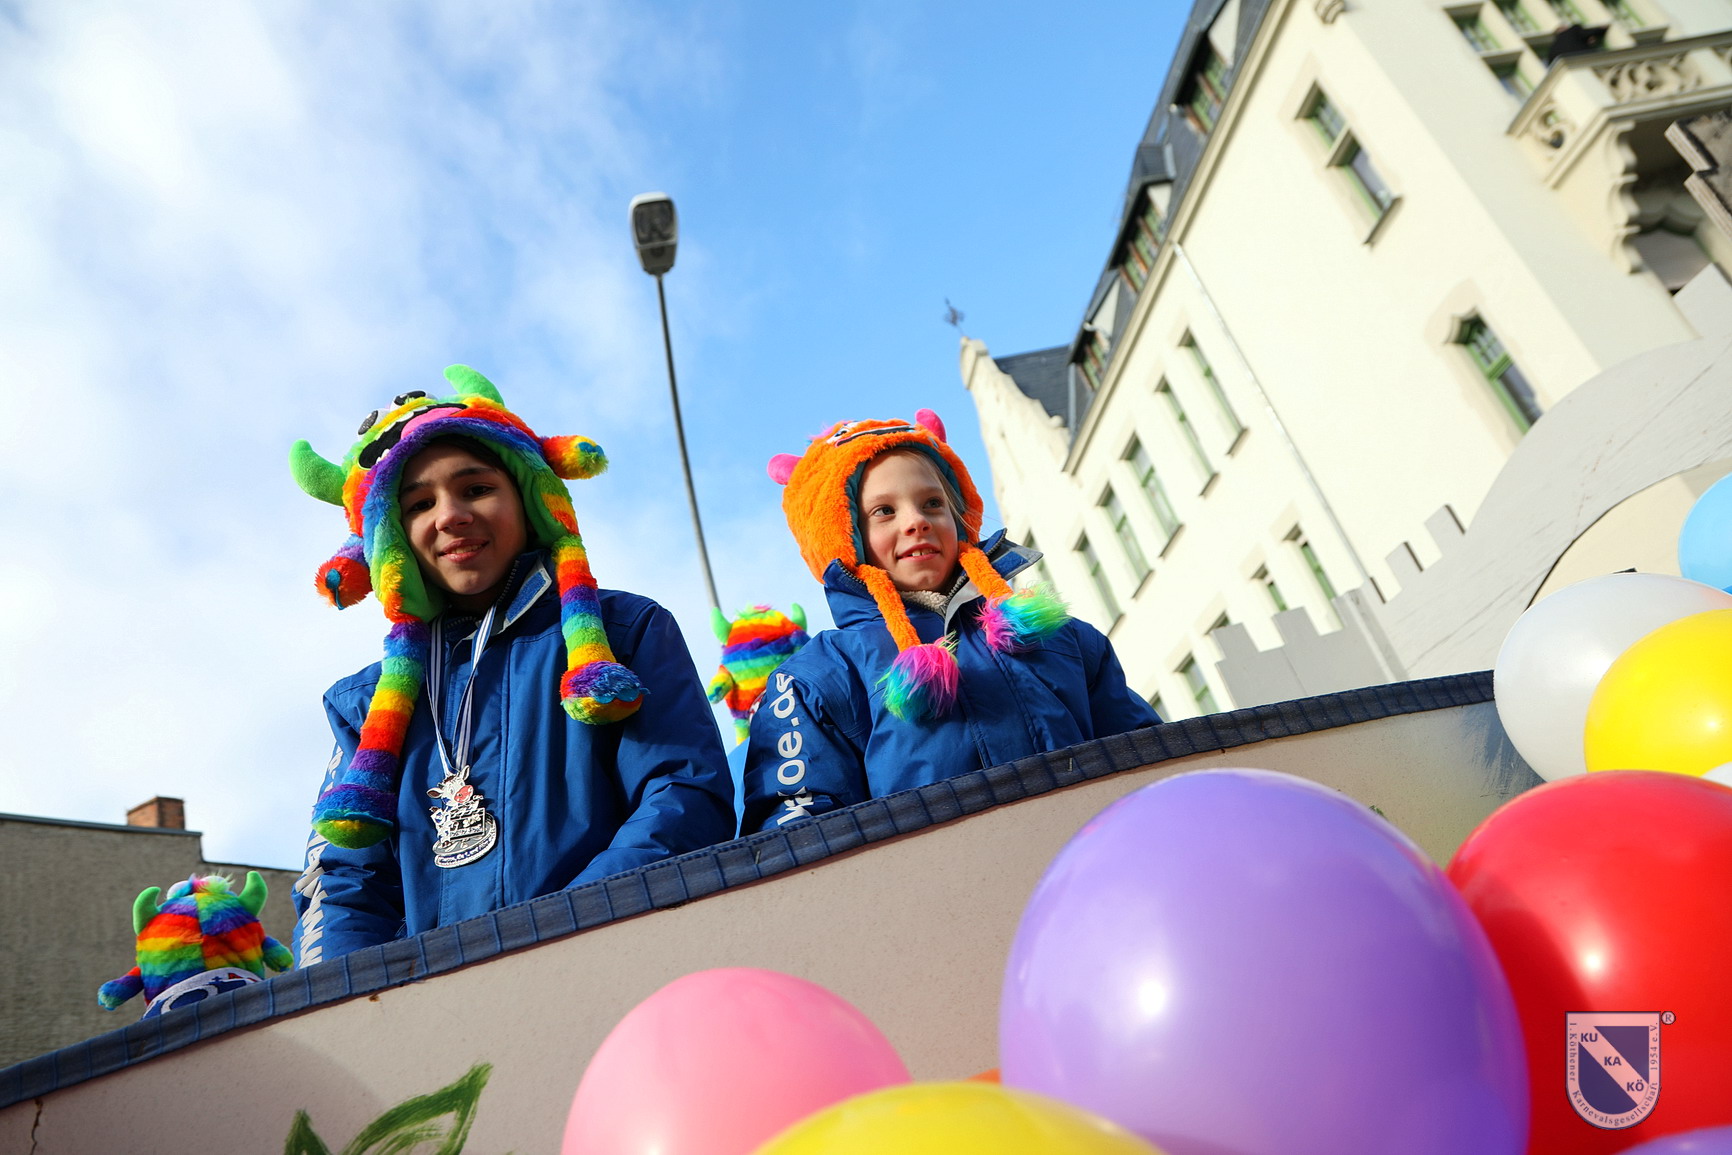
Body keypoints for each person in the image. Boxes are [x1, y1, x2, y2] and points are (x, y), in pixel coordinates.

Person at [287, 365, 734, 965]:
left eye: (475, 489)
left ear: (529, 498)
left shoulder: (627, 633)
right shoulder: (360, 706)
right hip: (440, 1010)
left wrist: (555, 941)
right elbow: (343, 886)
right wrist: (370, 1004)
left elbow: (681, 797)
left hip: (612, 967)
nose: (450, 515)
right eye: (419, 504)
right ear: (388, 539)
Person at [742, 409, 1158, 833]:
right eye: (884, 511)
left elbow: (1146, 760)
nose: (916, 521)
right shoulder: (822, 677)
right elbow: (799, 827)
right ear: (841, 535)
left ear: (959, 515)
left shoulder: (1062, 638)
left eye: (933, 503)